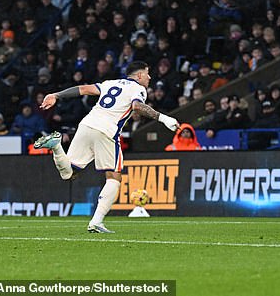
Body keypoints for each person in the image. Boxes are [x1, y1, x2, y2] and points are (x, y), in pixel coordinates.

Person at [33, 61, 180, 233]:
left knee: (69, 173)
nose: (149, 77)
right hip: (107, 131)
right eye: (147, 73)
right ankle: (96, 222)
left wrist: (56, 95)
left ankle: (57, 146)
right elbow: (137, 106)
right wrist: (164, 118)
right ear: (139, 75)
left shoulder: (111, 83)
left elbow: (84, 89)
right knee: (114, 177)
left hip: (86, 125)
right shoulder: (138, 89)